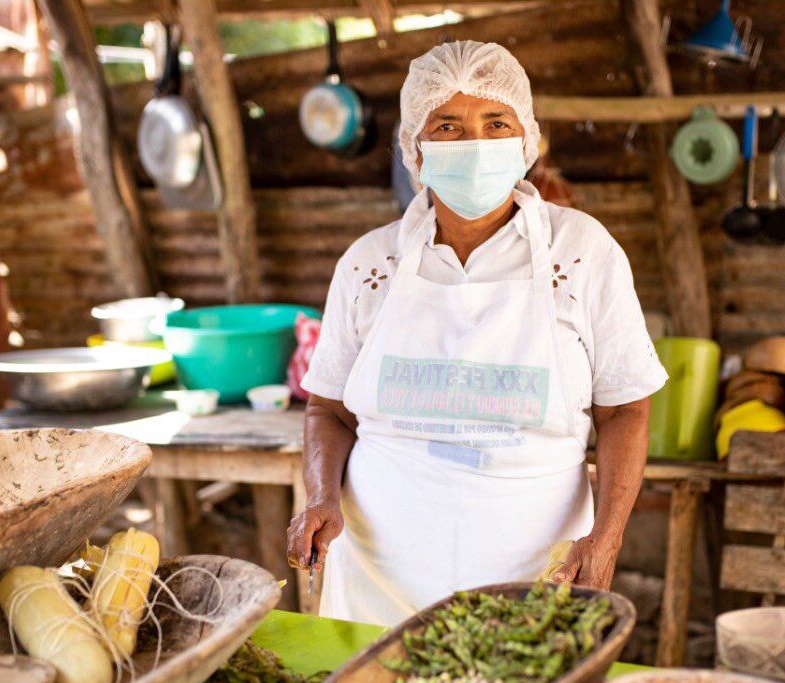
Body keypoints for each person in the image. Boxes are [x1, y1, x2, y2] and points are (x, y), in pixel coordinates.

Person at [286, 40, 667, 626]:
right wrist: (320, 497)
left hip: (535, 570)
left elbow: (625, 411)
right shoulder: (368, 264)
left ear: (525, 138)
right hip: (378, 573)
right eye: (449, 126)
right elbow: (328, 410)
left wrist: (607, 537)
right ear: (416, 147)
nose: (477, 144)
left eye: (495, 123)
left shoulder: (584, 252)